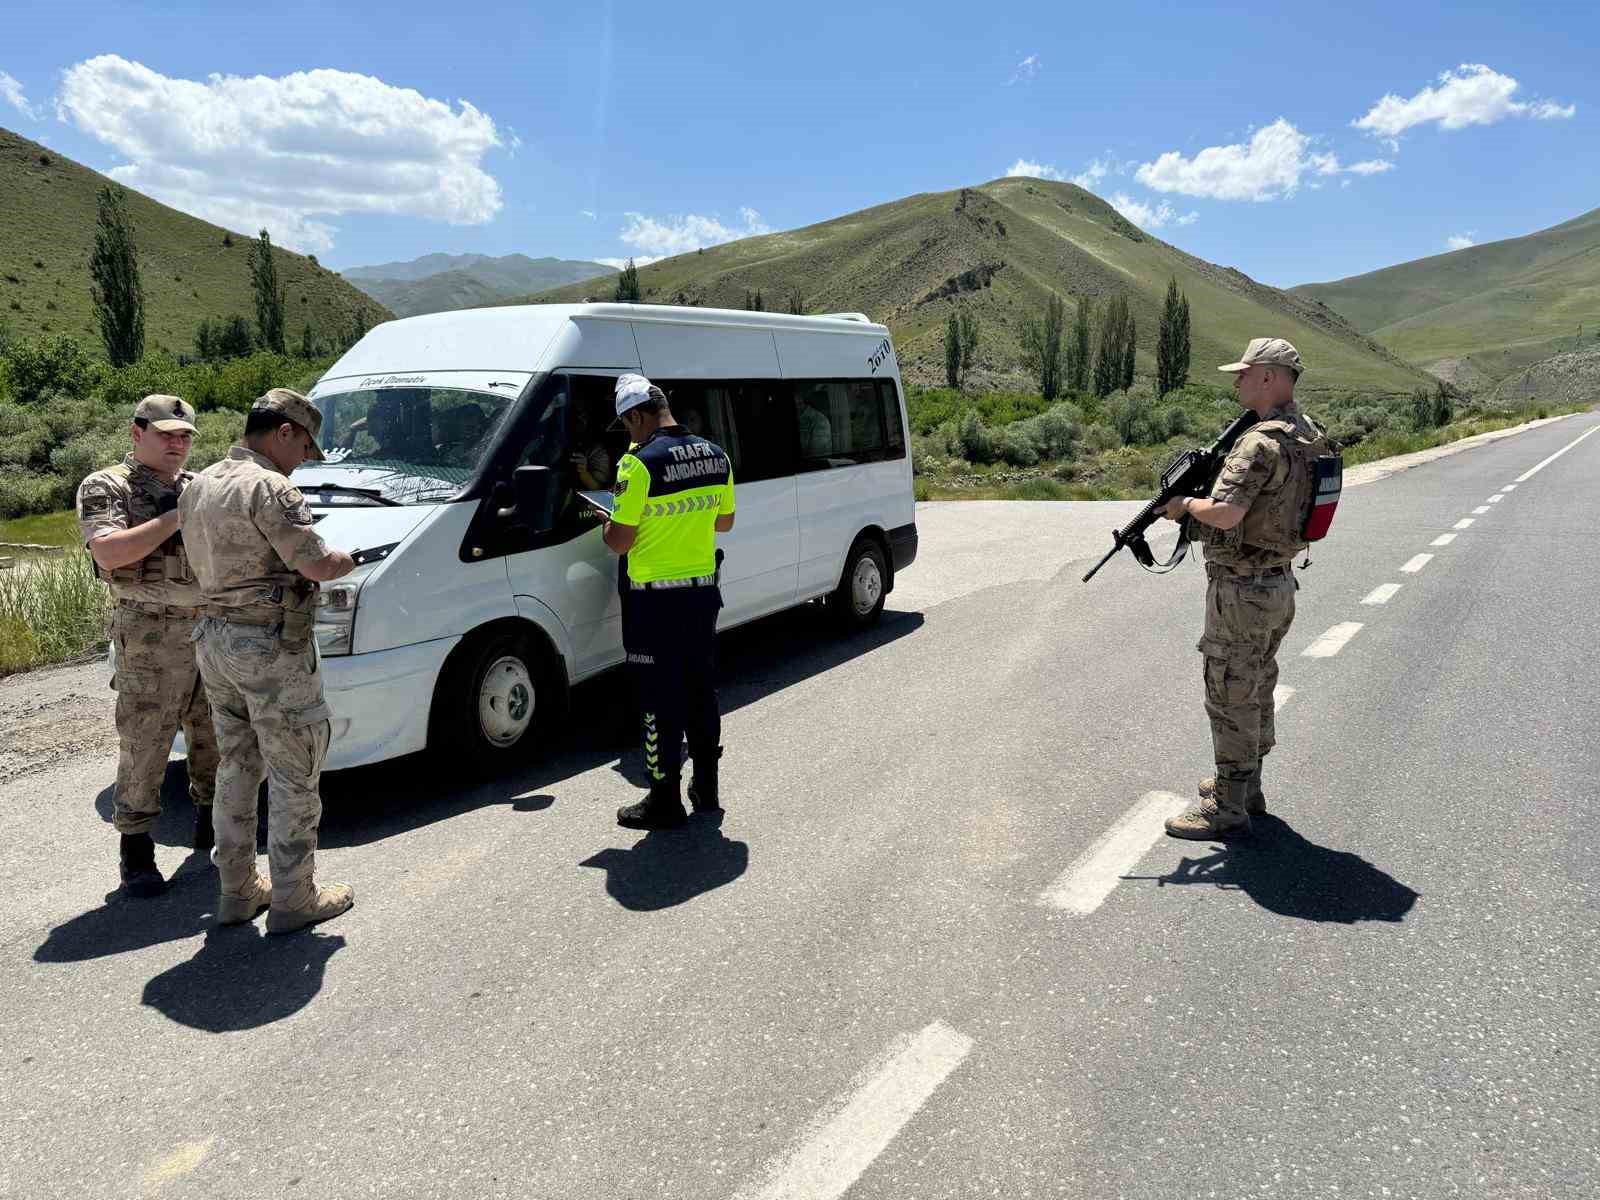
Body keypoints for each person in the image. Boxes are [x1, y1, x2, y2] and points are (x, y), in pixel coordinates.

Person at [178, 388, 358, 932]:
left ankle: (236, 892)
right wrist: (347, 558)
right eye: (304, 446)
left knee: (236, 763)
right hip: (270, 645)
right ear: (284, 432)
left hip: (213, 638)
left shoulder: (199, 483)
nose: (304, 459)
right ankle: (294, 897)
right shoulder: (269, 487)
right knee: (294, 769)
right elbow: (318, 564)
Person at [1160, 338, 1334, 839]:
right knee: (1256, 685)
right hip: (1278, 584)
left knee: (1230, 691)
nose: (1235, 381)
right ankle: (1247, 787)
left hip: (1241, 591)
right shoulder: (1307, 434)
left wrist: (1187, 506)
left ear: (1269, 377)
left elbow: (1227, 513)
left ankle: (1228, 806)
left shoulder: (1260, 442)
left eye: (1244, 373)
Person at [76, 394, 220, 896]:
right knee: (146, 742)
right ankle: (136, 852)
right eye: (165, 434)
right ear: (137, 434)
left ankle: (213, 828)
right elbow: (112, 552)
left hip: (208, 627)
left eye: (184, 436)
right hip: (148, 631)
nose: (176, 444)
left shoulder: (200, 486)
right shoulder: (107, 485)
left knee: (216, 735)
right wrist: (179, 515)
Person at [601, 374, 736, 830]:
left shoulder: (636, 466)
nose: (628, 434)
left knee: (658, 699)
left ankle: (664, 801)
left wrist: (608, 522)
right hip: (701, 596)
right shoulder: (716, 455)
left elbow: (620, 542)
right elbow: (725, 522)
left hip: (653, 606)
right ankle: (708, 789)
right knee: (700, 691)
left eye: (626, 425)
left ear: (637, 415)